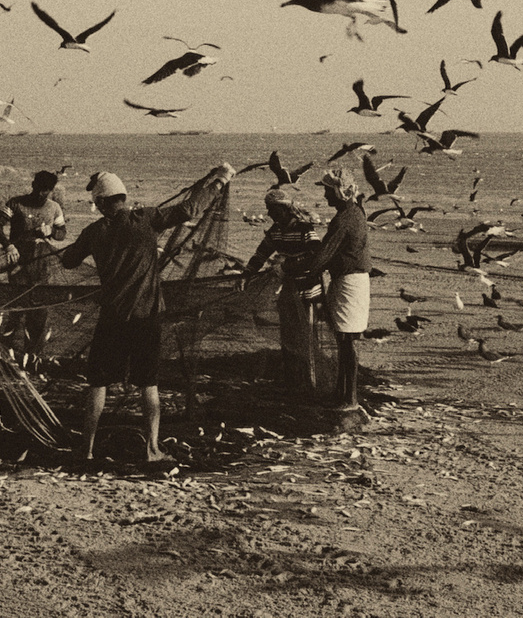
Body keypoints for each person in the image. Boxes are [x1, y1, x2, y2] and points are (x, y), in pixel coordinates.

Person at [59, 162, 235, 466]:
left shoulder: (93, 231)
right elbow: (191, 209)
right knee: (148, 383)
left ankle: (86, 449)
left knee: (98, 383)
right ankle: (152, 450)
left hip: (113, 318)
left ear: (101, 203)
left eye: (97, 202)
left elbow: (69, 261)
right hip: (147, 316)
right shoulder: (146, 219)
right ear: (124, 198)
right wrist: (219, 181)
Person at [242, 186, 322, 390]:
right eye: (267, 209)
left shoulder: (305, 229)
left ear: (284, 209)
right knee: (288, 335)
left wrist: (286, 265)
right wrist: (246, 275)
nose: (268, 213)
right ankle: (293, 380)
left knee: (307, 336)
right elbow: (260, 254)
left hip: (308, 292)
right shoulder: (276, 231)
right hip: (288, 291)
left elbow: (316, 256)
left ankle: (311, 383)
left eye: (272, 209)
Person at [309, 167, 371, 413]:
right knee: (344, 339)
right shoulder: (355, 213)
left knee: (348, 340)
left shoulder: (345, 219)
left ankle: (350, 397)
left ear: (338, 191)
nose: (325, 197)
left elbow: (323, 255)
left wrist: (301, 269)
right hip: (349, 280)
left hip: (350, 283)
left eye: (327, 191)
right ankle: (342, 393)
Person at [0, 171, 67, 359]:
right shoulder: (16, 203)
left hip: (42, 266)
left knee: (39, 314)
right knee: (16, 309)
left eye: (47, 191)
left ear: (51, 191)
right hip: (18, 264)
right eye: (40, 189)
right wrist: (8, 246)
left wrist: (51, 231)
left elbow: (62, 232)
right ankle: (5, 355)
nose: (43, 194)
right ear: (33, 185)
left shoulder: (54, 208)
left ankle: (32, 358)